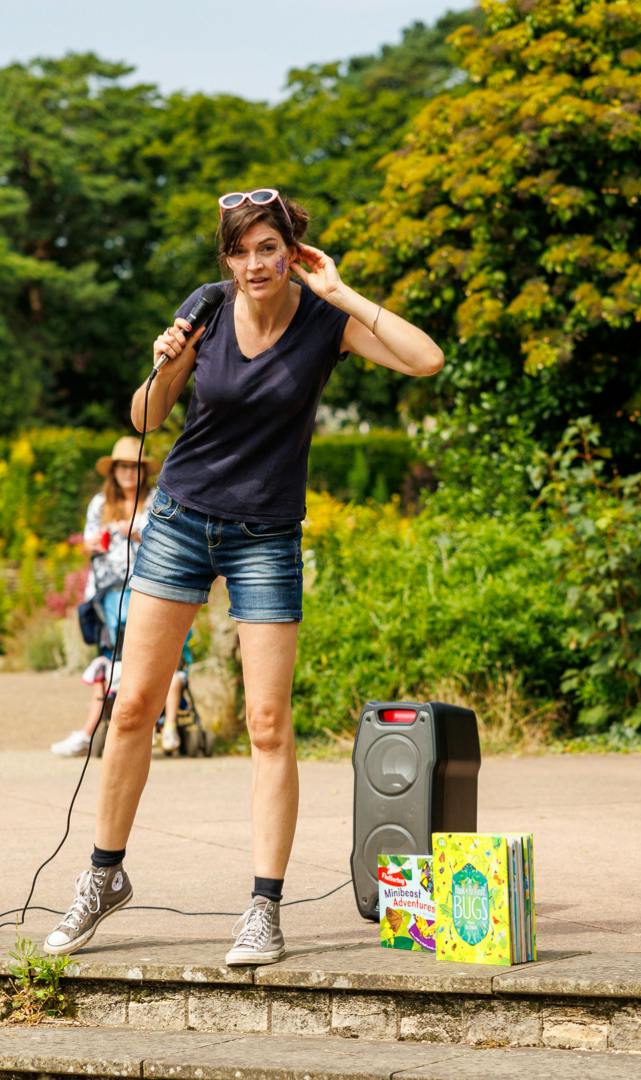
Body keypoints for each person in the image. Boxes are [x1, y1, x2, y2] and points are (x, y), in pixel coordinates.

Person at [41, 188, 444, 965]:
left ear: (293, 249)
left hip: (266, 535)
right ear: (225, 258)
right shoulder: (208, 314)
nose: (254, 264)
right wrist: (170, 359)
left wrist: (339, 290)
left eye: (269, 247)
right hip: (180, 522)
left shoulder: (328, 321)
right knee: (131, 710)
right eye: (240, 251)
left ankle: (263, 909)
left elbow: (425, 359)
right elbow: (143, 420)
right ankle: (102, 878)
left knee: (268, 724)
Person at [52, 439, 154, 757]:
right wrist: (97, 542)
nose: (128, 473)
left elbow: (158, 536)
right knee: (111, 653)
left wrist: (134, 532)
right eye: (123, 467)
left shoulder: (153, 501)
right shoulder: (100, 503)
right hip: (107, 590)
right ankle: (94, 727)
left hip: (144, 586)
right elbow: (88, 542)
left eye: (134, 466)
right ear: (114, 472)